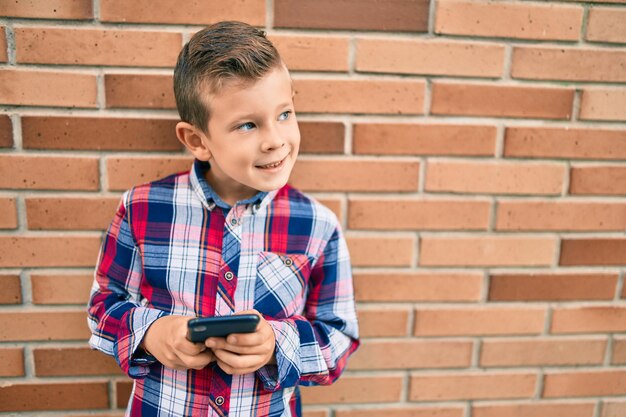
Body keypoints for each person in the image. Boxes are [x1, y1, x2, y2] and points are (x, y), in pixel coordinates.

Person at [87, 21, 359, 417]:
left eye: (284, 114)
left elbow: (340, 337)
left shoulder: (318, 226)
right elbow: (102, 307)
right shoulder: (142, 208)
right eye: (247, 124)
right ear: (197, 141)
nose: (275, 139)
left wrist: (275, 343)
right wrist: (151, 333)